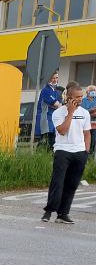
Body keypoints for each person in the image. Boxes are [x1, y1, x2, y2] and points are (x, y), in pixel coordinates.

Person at [41, 82, 91, 224]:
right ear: (69, 97)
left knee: (72, 184)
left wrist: (86, 151)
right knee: (58, 183)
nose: (80, 99)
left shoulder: (85, 113)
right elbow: (62, 131)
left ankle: (63, 214)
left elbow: (87, 133)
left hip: (79, 152)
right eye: (77, 97)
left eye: (81, 96)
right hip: (63, 151)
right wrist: (70, 113)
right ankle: (48, 211)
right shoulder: (58, 113)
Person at [35, 71, 62, 150]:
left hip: (52, 118)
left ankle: (48, 154)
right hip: (45, 118)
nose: (55, 80)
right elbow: (56, 104)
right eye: (53, 78)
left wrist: (59, 105)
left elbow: (60, 104)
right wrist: (58, 105)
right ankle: (40, 154)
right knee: (46, 139)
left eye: (56, 78)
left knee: (52, 139)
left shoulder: (55, 91)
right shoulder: (46, 90)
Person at [81, 84, 96, 158]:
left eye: (95, 91)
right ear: (87, 92)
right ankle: (85, 155)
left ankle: (91, 156)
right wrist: (91, 110)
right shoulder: (83, 100)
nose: (94, 92)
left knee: (93, 141)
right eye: (92, 91)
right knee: (86, 140)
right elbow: (83, 112)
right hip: (86, 124)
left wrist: (91, 112)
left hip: (95, 125)